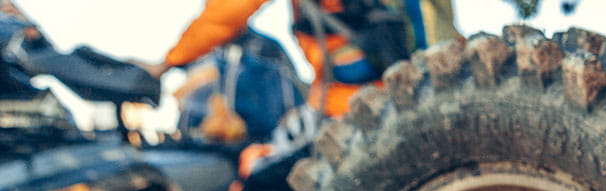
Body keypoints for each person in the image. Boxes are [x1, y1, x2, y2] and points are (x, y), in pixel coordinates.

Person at [146, 0, 459, 117]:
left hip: (352, 102)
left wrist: (168, 62)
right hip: (429, 86)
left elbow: (224, 15)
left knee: (254, 183)